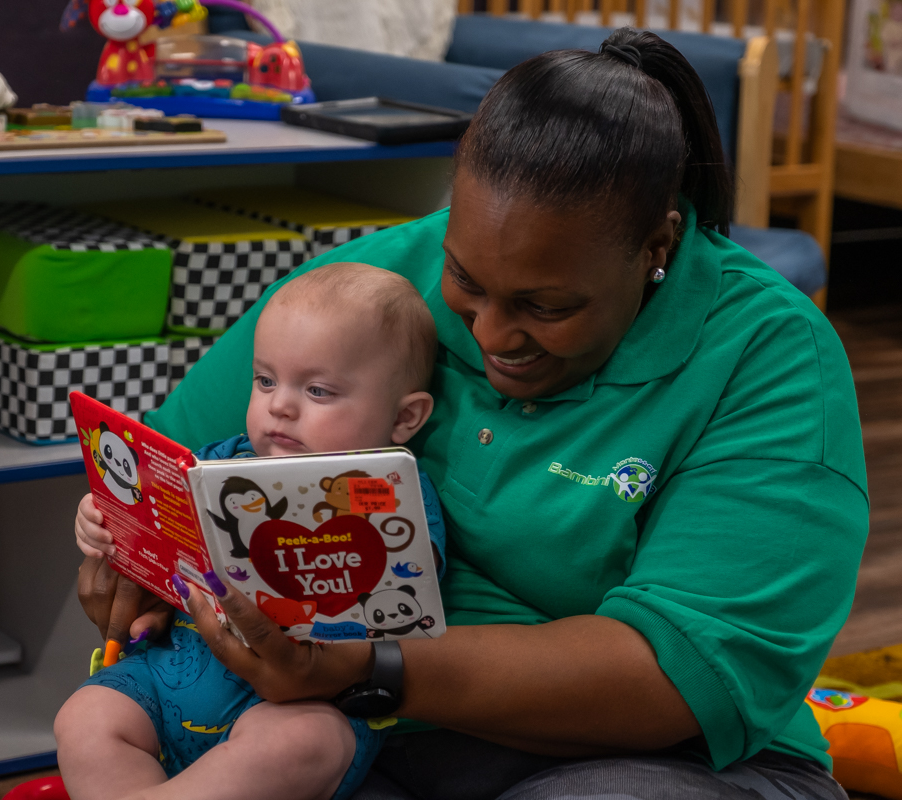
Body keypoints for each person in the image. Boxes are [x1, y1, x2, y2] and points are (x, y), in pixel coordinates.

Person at [76, 28, 868, 799]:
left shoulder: (767, 356)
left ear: (656, 245)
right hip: (372, 733)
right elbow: (161, 472)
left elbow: (677, 678)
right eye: (467, 282)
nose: (491, 333)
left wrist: (369, 665)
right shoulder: (382, 284)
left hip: (663, 757)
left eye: (545, 306)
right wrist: (132, 564)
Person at [57, 263, 446, 800]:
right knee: (84, 718)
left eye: (318, 390)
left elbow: (406, 595)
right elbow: (148, 529)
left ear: (404, 418)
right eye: (266, 380)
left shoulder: (392, 494)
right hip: (169, 677)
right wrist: (103, 522)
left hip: (296, 702)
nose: (279, 406)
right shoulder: (213, 463)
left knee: (305, 742)